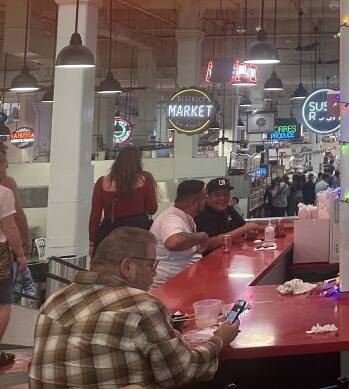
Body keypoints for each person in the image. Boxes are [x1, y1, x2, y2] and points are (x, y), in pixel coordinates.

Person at [29, 226, 239, 389]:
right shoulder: (142, 305)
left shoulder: (53, 301)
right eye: (151, 265)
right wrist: (219, 339)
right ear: (127, 267)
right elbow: (182, 371)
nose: (154, 274)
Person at [89, 146, 158, 255]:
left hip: (111, 230)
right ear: (138, 161)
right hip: (139, 229)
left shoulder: (102, 182)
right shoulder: (146, 179)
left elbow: (95, 216)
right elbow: (152, 209)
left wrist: (92, 243)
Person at [149, 180, 209, 288]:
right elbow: (173, 242)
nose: (207, 200)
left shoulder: (185, 216)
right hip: (168, 287)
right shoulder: (171, 219)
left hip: (184, 279)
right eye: (205, 197)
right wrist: (201, 236)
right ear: (193, 202)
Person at [0, 152, 28, 368]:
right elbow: (9, 227)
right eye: (4, 166)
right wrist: (19, 255)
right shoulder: (3, 193)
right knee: (3, 303)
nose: (6, 171)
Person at [195, 178, 260, 256]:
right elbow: (210, 244)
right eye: (217, 195)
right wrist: (244, 229)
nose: (222, 198)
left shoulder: (228, 209)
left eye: (226, 194)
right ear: (207, 197)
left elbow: (244, 226)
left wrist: (250, 231)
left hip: (228, 258)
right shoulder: (203, 214)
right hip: (208, 262)